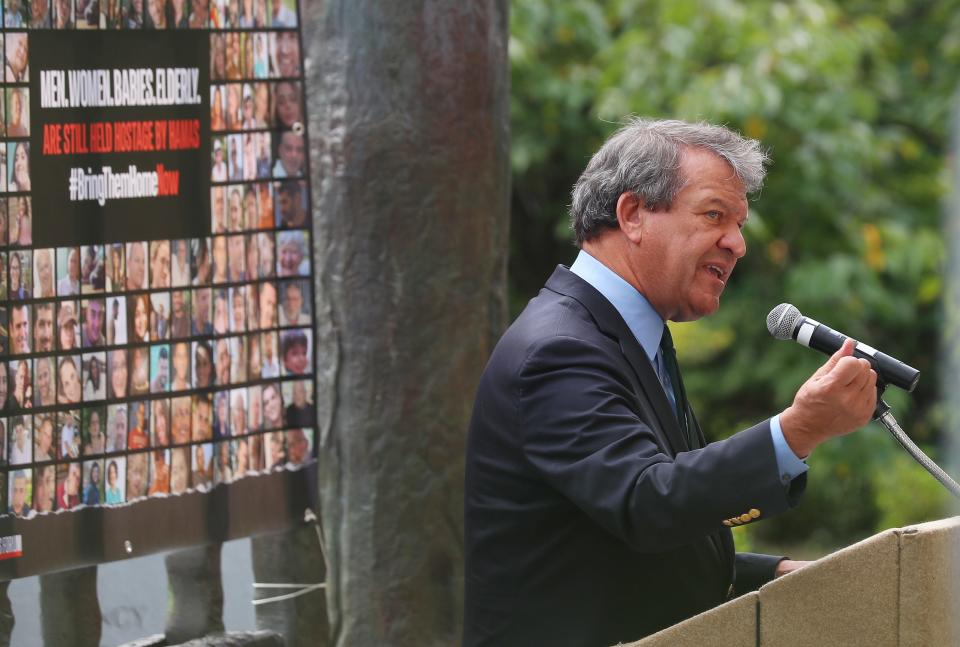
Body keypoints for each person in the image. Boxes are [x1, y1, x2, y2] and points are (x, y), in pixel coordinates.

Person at [463, 119, 878, 646]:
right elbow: (648, 503)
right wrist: (796, 431)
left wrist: (767, 574)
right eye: (714, 215)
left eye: (740, 223)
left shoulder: (626, 334)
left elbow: (619, 541)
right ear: (633, 214)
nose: (738, 244)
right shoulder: (559, 349)